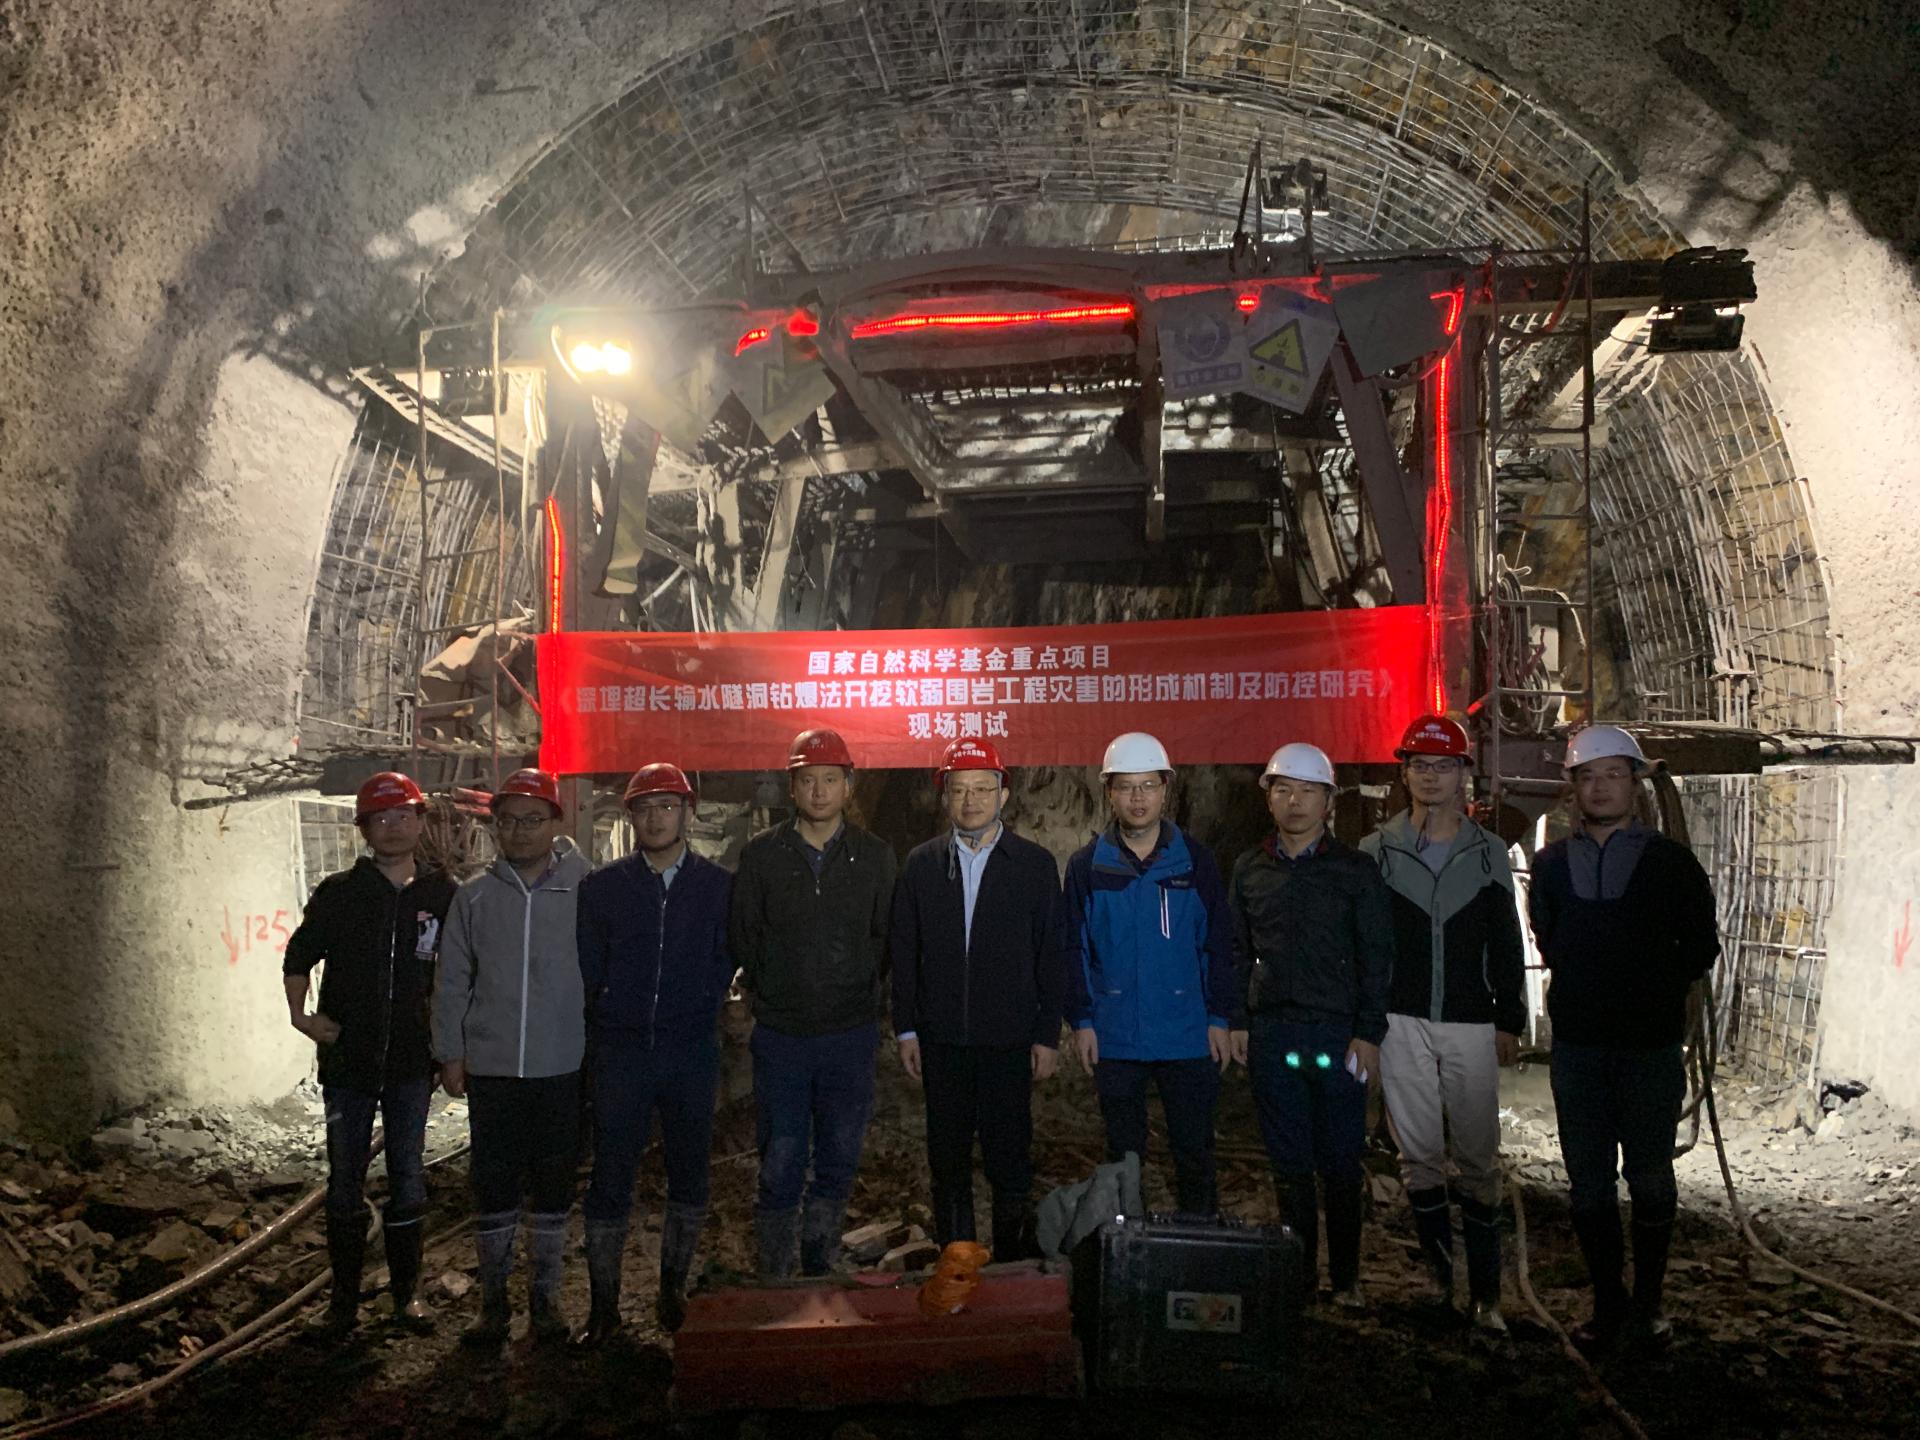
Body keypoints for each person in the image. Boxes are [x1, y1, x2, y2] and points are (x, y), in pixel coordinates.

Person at [1529, 725, 1718, 1351]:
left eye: (1613, 774)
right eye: (1587, 776)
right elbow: (1549, 936)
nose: (1600, 787)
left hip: (1649, 1048)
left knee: (1651, 1176)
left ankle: (1649, 1306)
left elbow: (1701, 943)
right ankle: (1608, 1304)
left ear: (1635, 784)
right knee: (1588, 1183)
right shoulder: (1551, 866)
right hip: (1579, 1047)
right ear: (1573, 788)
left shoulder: (1670, 863)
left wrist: (1651, 991)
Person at [1360, 714, 1526, 1335]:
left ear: (1462, 775)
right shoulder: (1377, 852)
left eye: (1444, 766)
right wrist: (1366, 1020)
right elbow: (1365, 944)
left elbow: (1506, 941)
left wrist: (1509, 1018)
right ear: (1405, 774)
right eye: (1420, 766)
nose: (1432, 777)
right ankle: (1442, 1288)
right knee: (1419, 1156)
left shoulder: (1487, 853)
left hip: (1469, 1019)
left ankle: (1486, 1296)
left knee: (1478, 1157)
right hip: (1399, 1017)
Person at [283, 772, 456, 1338]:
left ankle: (407, 1297)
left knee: (408, 1177)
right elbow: (298, 955)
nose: (393, 826)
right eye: (380, 818)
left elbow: (460, 974)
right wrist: (302, 1017)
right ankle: (343, 1305)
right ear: (363, 829)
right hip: (349, 1063)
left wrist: (451, 1046)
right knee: (344, 1182)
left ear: (420, 822)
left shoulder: (442, 895)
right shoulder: (340, 894)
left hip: (411, 1062)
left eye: (403, 815)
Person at [574, 763, 734, 1343]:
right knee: (610, 1175)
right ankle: (604, 1308)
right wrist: (609, 1015)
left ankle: (672, 1291)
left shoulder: (718, 888)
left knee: (689, 1173)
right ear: (630, 817)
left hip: (690, 1050)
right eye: (645, 807)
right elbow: (588, 969)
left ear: (688, 813)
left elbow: (727, 957)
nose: (656, 817)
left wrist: (705, 1001)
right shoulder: (603, 889)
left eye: (667, 806)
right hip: (622, 1052)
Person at [1227, 743, 1392, 1307]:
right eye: (1283, 790)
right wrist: (1237, 1020)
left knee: (1341, 1162)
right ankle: (1298, 1278)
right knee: (1290, 1163)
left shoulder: (1355, 871)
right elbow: (1235, 950)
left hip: (1339, 1034)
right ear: (1268, 798)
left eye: (1307, 791)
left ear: (1328, 801)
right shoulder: (1250, 868)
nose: (1295, 802)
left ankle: (1346, 1280)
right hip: (1273, 1032)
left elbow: (1376, 954)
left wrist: (1369, 1032)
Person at [729, 729, 897, 1278]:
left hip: (849, 1034)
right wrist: (772, 989)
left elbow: (884, 938)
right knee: (780, 1158)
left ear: (848, 786)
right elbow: (745, 936)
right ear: (792, 787)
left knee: (839, 1155)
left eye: (830, 779)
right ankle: (776, 1274)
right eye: (808, 780)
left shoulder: (874, 858)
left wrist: (860, 989)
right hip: (783, 1035)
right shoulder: (762, 856)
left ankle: (819, 1263)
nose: (819, 791)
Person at [432, 768, 590, 1346]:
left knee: (553, 1188)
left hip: (562, 1065)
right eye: (508, 821)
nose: (520, 831)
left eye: (532, 820)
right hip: (493, 1069)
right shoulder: (474, 897)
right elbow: (452, 979)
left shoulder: (587, 890)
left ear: (555, 822)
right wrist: (451, 1052)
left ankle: (545, 1303)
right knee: (494, 1187)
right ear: (494, 826)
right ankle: (493, 1307)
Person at [890, 737, 1066, 1258]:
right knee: (947, 1160)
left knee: (1009, 1159)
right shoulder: (922, 865)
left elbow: (1051, 954)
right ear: (945, 796)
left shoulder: (1033, 865)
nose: (971, 800)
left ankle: (1010, 1264)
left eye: (983, 789)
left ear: (1003, 795)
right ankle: (958, 1263)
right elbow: (905, 952)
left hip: (1008, 1041)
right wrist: (906, 1027)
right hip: (942, 1040)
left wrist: (1047, 1034)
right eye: (959, 789)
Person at [1063, 732, 1235, 1216]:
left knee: (1195, 1152)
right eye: (1125, 787)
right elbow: (1072, 948)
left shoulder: (1195, 862)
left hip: (1187, 1034)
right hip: (1116, 1035)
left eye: (1148, 786)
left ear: (1165, 790)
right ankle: (1128, 1247)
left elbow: (1218, 944)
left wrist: (1219, 1017)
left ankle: (1198, 1242)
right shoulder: (1087, 867)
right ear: (1109, 793)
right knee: (1123, 1157)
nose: (1137, 798)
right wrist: (1082, 1021)